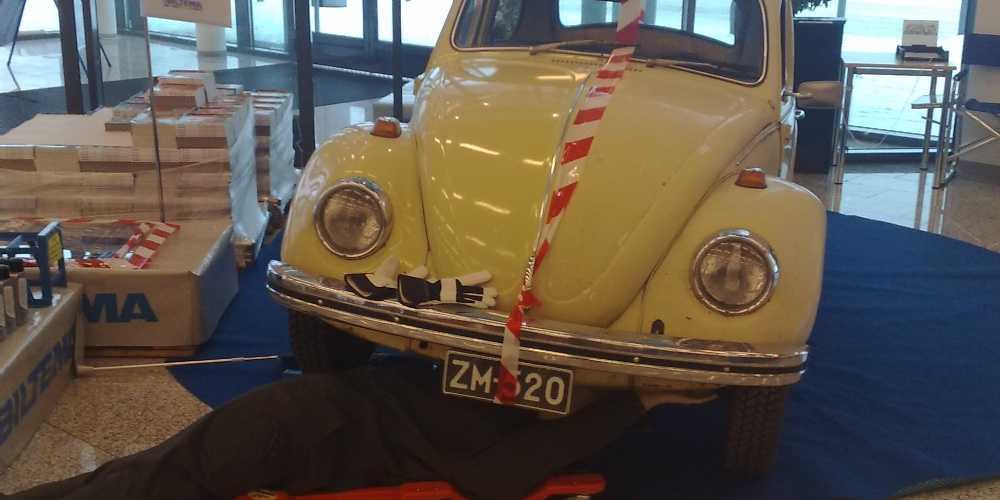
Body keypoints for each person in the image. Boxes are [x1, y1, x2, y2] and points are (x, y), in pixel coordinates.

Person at [6, 357, 704, 500]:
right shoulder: (508, 430)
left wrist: (636, 403)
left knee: (150, 476)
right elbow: (498, 477)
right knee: (150, 481)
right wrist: (638, 404)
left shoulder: (497, 399)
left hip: (305, 420)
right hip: (303, 427)